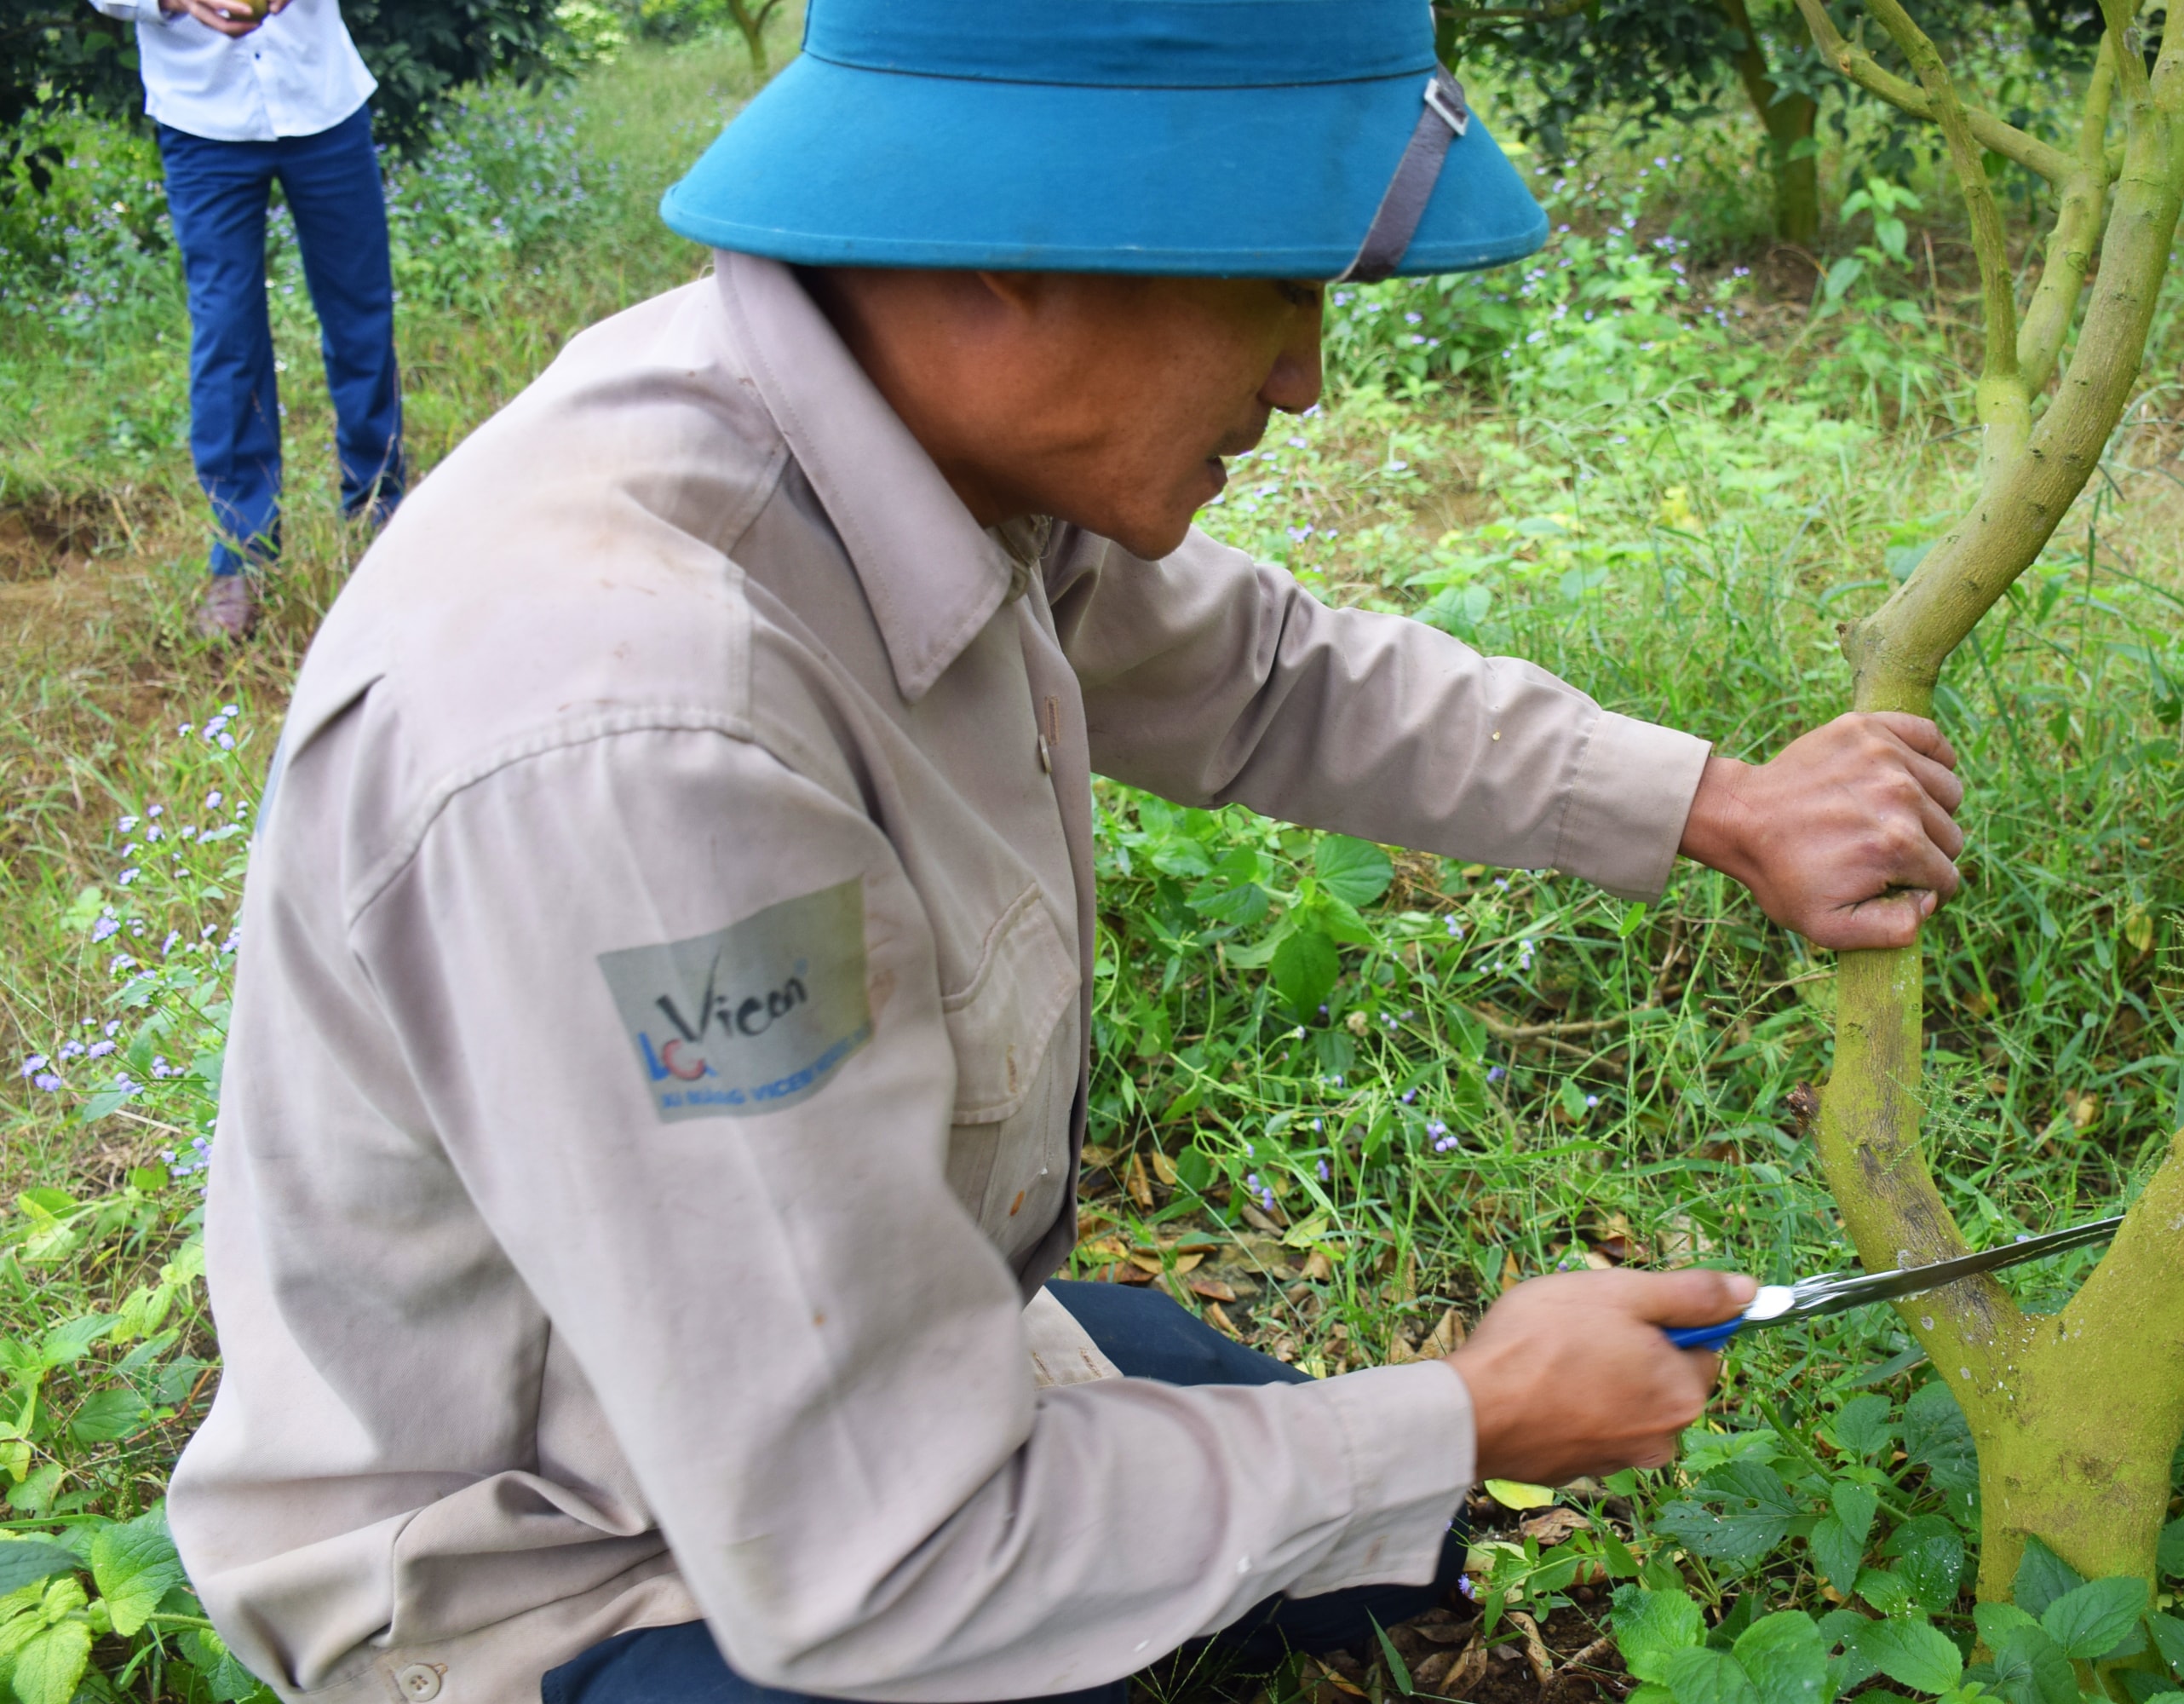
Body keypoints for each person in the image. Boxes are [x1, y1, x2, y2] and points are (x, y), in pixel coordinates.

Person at [164, 3, 1969, 1701]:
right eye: (1271, 281)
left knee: (1353, 1554)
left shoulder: (897, 429)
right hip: (566, 1563)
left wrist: (1720, 807)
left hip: (796, 1413)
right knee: (1332, 1492)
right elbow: (882, 1553)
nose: (1303, 376)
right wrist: (1470, 1417)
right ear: (1002, 237)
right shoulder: (643, 740)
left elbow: (1262, 678)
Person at [87, 0, 404, 640]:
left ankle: (382, 516)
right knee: (226, 335)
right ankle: (241, 555)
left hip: (323, 101)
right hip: (202, 119)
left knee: (360, 317)